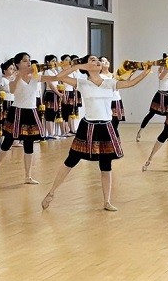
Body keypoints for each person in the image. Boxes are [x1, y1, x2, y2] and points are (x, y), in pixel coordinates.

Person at [41, 57, 150, 212]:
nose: (97, 62)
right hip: (87, 126)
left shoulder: (110, 82)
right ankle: (51, 192)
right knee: (71, 160)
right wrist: (78, 66)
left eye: (98, 61)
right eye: (93, 61)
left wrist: (146, 72)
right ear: (86, 66)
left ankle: (107, 201)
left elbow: (130, 83)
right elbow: (60, 77)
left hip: (106, 126)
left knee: (106, 165)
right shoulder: (82, 83)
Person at [0, 52, 56, 185]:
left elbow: (56, 77)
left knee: (29, 143)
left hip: (31, 111)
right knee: (7, 142)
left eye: (29, 60)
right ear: (18, 64)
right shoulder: (14, 77)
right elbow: (12, 90)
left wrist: (71, 67)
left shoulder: (35, 76)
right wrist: (19, 75)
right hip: (17, 111)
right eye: (25, 60)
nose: (28, 62)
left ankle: (28, 176)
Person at [136, 55, 168, 142]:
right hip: (160, 95)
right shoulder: (161, 69)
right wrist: (163, 62)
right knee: (151, 114)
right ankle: (140, 131)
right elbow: (161, 74)